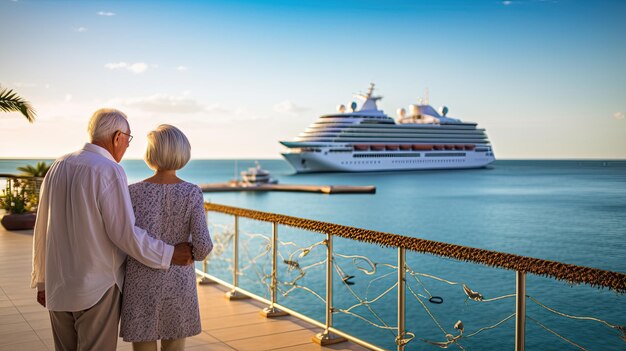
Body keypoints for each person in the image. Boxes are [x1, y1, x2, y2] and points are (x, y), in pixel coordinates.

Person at [31, 109, 194, 351]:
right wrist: (169, 254)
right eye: (128, 139)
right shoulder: (109, 170)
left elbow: (42, 226)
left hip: (58, 284)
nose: (127, 146)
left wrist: (42, 281)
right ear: (118, 136)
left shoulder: (59, 165)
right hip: (97, 286)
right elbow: (125, 234)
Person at [120, 124, 213, 351]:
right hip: (178, 282)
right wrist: (191, 252)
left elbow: (123, 236)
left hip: (140, 282)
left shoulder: (132, 192)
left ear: (150, 153)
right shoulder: (191, 192)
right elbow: (203, 246)